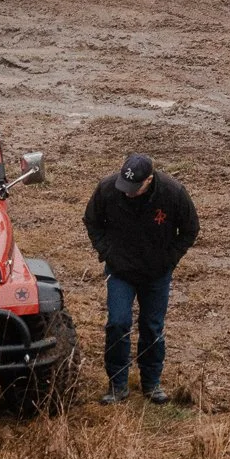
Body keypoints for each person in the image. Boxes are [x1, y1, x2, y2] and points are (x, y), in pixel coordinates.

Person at [83, 153, 200, 406]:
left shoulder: (173, 193)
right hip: (120, 271)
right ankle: (117, 384)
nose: (128, 193)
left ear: (149, 180)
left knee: (152, 327)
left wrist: (169, 259)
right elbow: (92, 221)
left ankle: (151, 383)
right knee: (117, 323)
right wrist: (106, 252)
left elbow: (190, 229)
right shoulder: (108, 188)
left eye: (134, 188)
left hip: (156, 274)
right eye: (125, 188)